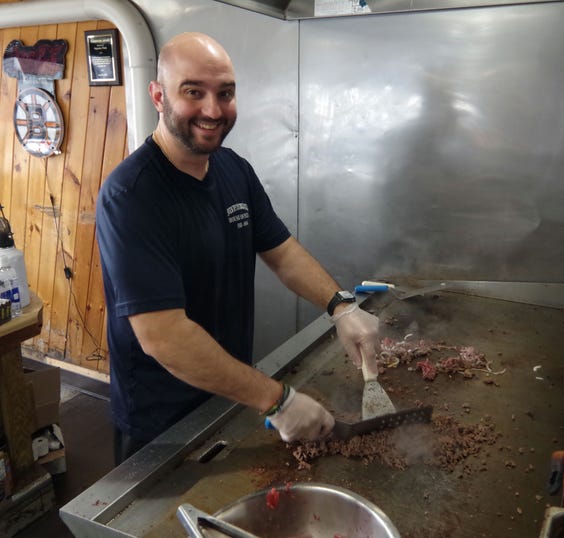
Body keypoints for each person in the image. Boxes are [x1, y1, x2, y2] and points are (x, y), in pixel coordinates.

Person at [95, 32, 380, 464]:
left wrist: (342, 307)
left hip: (228, 399)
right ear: (158, 96)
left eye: (225, 93)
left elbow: (281, 251)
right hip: (161, 425)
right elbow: (164, 337)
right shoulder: (130, 197)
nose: (213, 110)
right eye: (193, 92)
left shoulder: (233, 169)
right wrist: (278, 400)